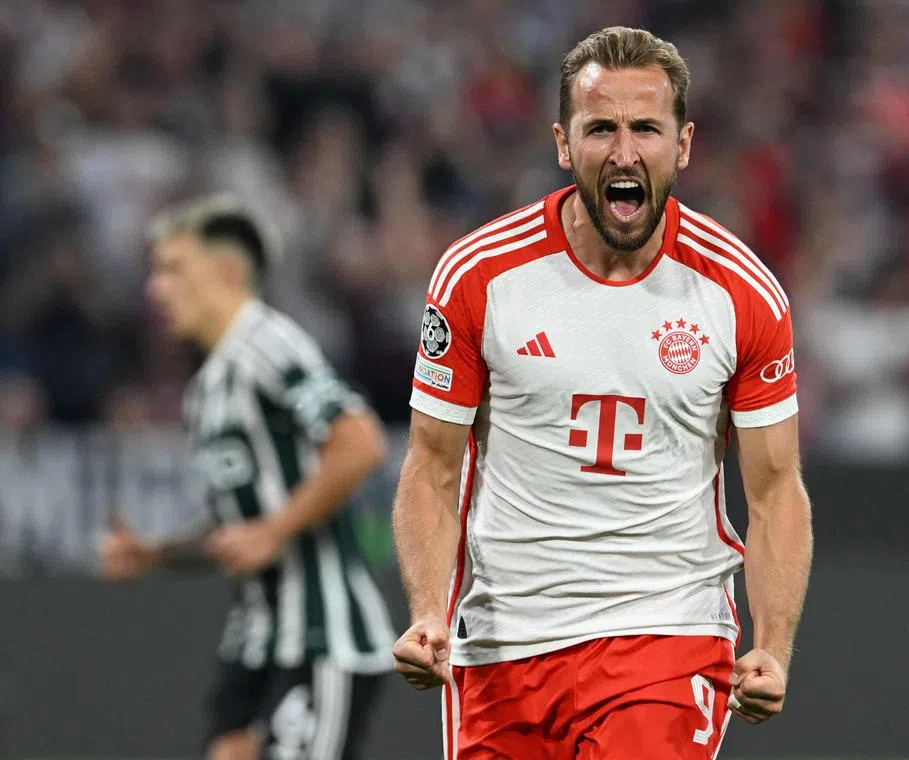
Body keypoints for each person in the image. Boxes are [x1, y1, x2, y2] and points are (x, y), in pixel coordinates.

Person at [391, 26, 814, 760]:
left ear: (682, 145)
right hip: (501, 643)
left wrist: (772, 647)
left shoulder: (741, 293)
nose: (624, 153)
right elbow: (431, 465)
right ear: (563, 144)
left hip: (666, 635)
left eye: (646, 128)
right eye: (601, 129)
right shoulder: (478, 277)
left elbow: (777, 490)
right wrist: (429, 612)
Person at [99, 195, 396, 760]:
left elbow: (359, 441)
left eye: (174, 269)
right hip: (258, 638)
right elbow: (238, 524)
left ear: (228, 272)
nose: (155, 289)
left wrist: (276, 529)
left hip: (323, 637)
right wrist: (155, 554)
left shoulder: (266, 344)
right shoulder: (207, 388)